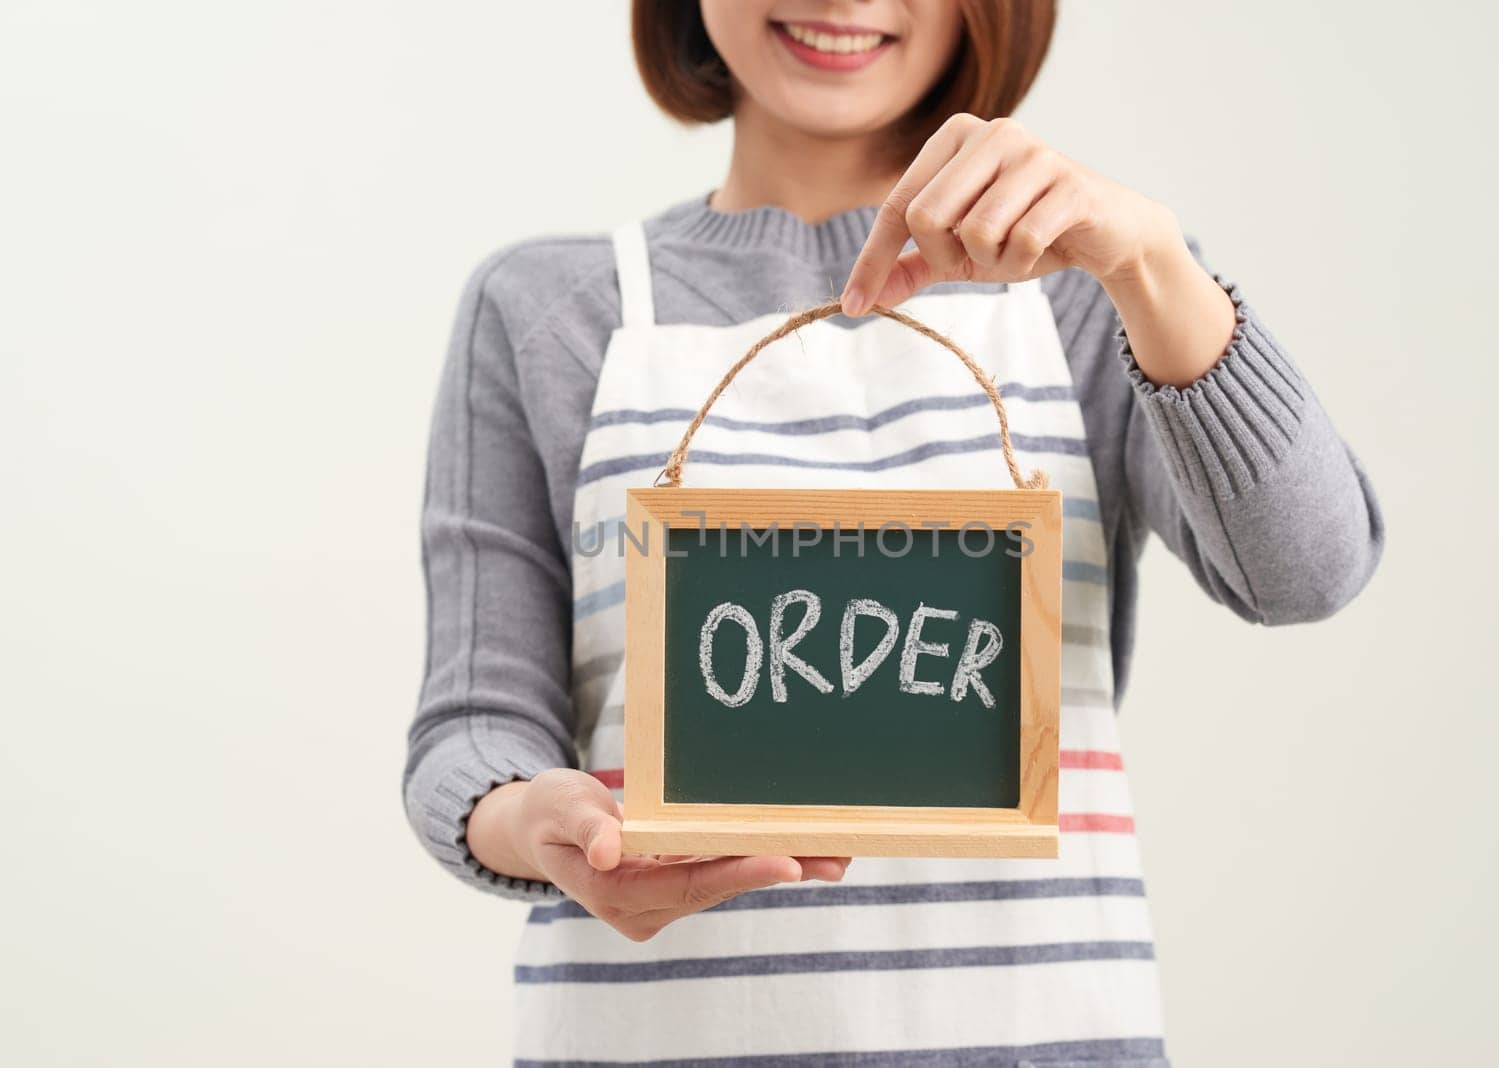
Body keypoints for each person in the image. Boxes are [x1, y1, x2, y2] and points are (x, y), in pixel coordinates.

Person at [403, 2, 1384, 1063]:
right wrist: (537, 826)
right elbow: (473, 723)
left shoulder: (1096, 293)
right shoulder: (548, 307)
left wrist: (1151, 264)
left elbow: (1307, 571)